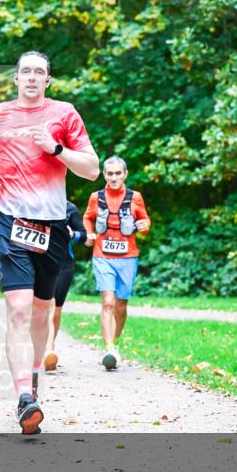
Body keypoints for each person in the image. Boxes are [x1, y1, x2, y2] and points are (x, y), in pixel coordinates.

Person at [0, 50, 99, 434]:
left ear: (48, 80)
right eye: (26, 71)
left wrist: (56, 149)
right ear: (16, 78)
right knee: (19, 309)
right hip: (10, 220)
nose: (32, 77)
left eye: (40, 72)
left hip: (53, 224)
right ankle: (24, 396)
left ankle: (34, 376)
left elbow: (91, 169)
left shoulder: (64, 114)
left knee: (43, 310)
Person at [82, 156, 151, 370]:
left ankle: (116, 342)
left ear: (125, 174)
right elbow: (87, 217)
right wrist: (89, 233)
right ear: (104, 175)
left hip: (128, 257)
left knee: (121, 304)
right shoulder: (96, 197)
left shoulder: (135, 197)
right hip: (102, 255)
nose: (114, 178)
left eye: (117, 173)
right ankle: (109, 349)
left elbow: (146, 220)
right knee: (108, 302)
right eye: (110, 174)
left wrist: (143, 225)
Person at [43, 200, 86, 372]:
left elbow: (83, 235)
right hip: (42, 262)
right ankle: (47, 350)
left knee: (57, 309)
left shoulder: (70, 209)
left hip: (64, 265)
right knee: (48, 305)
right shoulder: (33, 205)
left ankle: (50, 346)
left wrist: (72, 235)